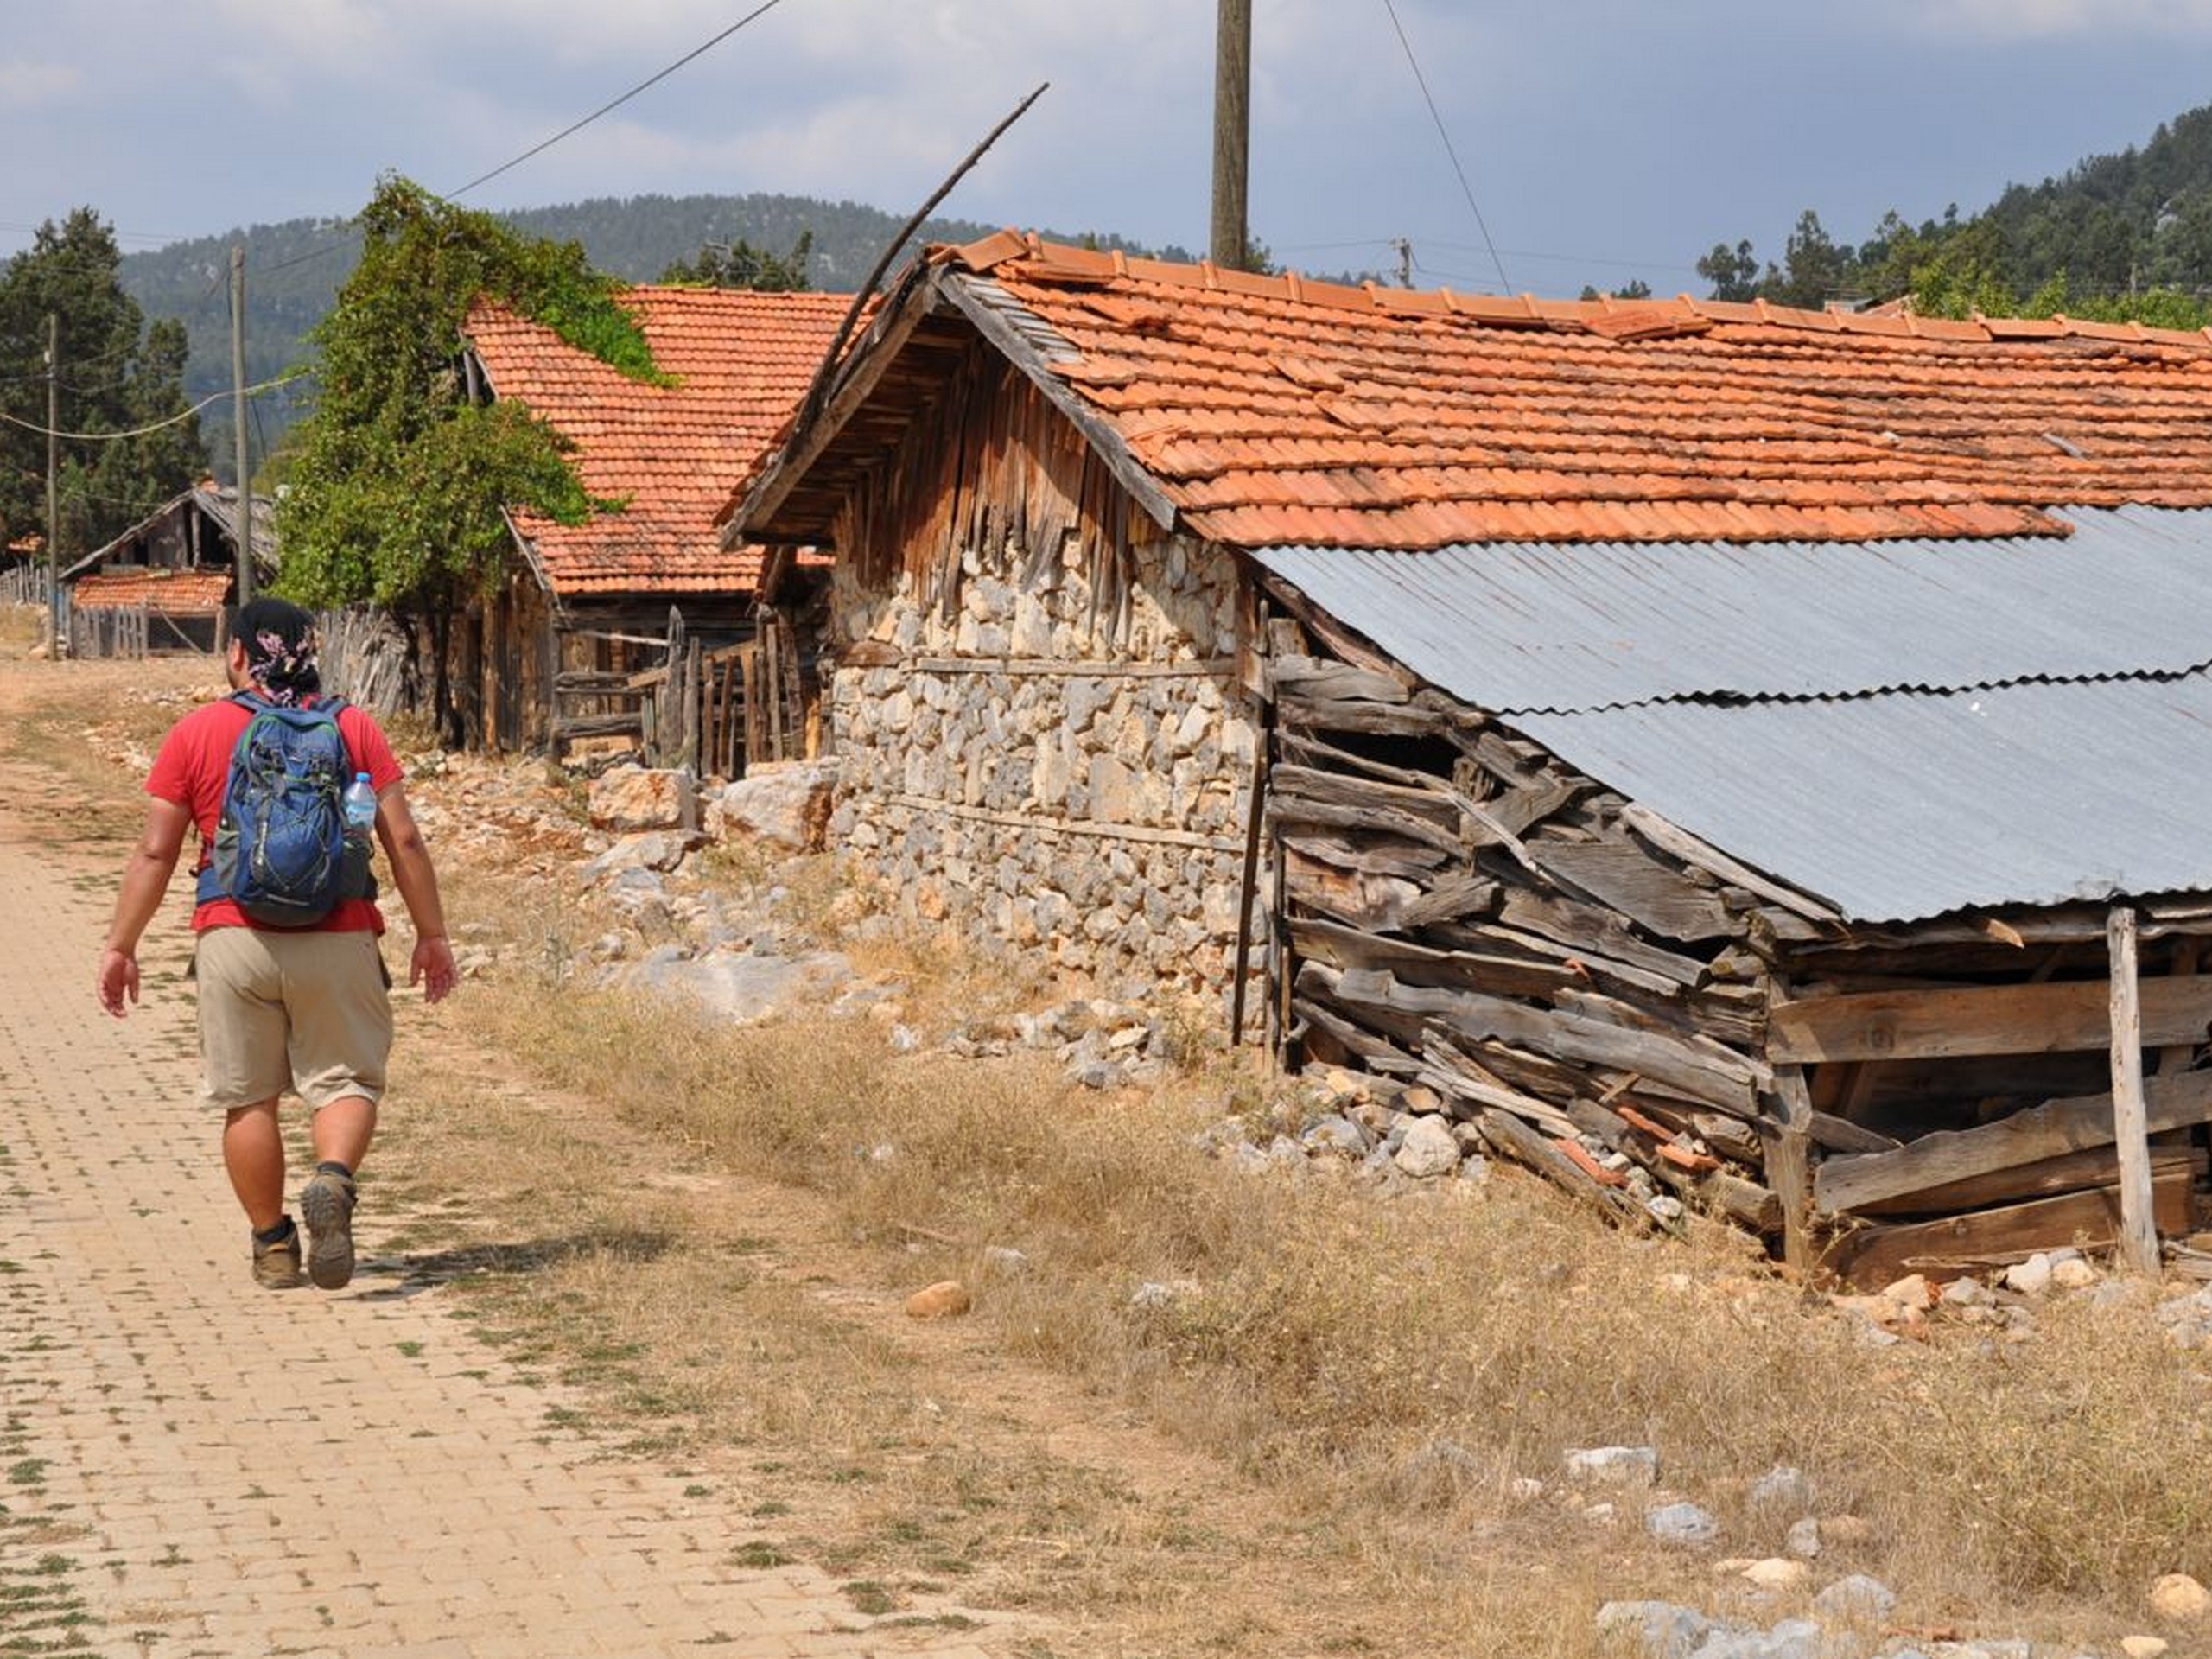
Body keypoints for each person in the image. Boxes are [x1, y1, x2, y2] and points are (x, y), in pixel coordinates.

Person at [96, 597, 459, 1291]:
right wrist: (433, 935)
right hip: (341, 933)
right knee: (346, 1080)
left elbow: (154, 851)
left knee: (250, 1099)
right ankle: (332, 1178)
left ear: (238, 653)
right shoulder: (353, 728)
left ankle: (272, 1244)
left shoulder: (197, 732)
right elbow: (404, 838)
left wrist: (122, 944)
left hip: (234, 935)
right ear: (311, 650)